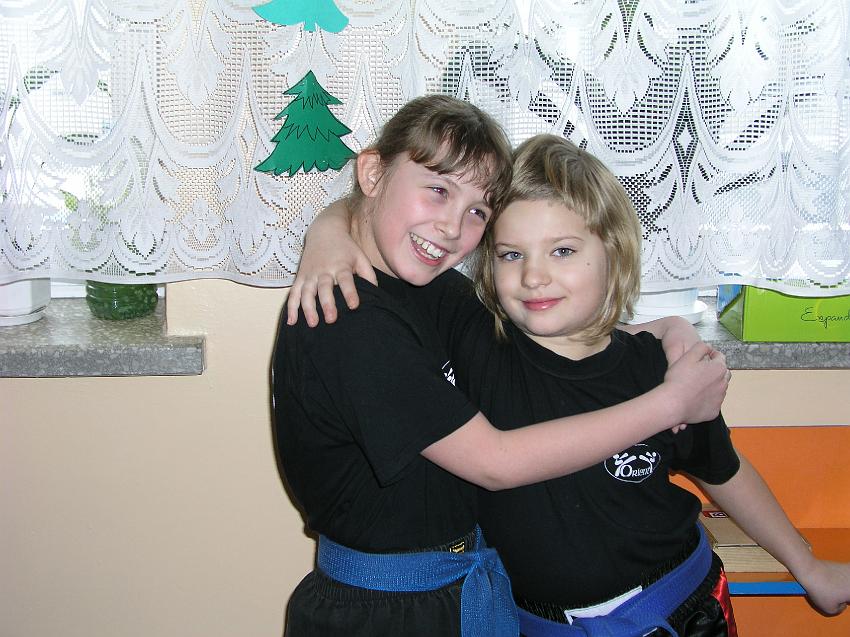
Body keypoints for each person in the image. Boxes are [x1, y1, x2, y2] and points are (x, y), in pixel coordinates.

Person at [292, 132, 850, 636]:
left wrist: (808, 567)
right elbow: (379, 223)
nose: (534, 276)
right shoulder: (472, 340)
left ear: (613, 252)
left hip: (678, 609)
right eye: (512, 255)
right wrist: (327, 235)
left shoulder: (657, 370)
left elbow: (723, 470)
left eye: (563, 251)